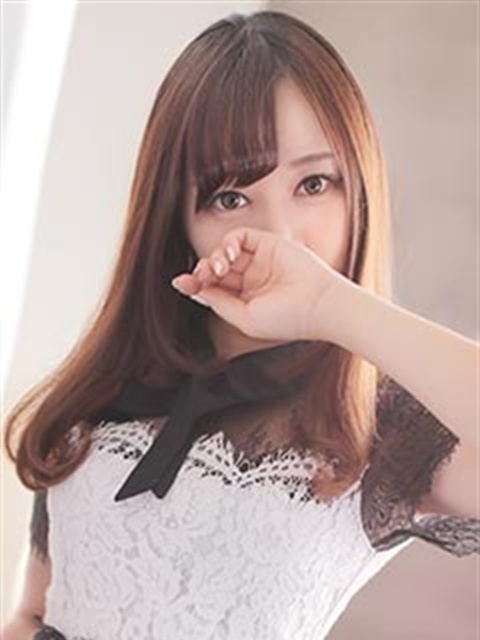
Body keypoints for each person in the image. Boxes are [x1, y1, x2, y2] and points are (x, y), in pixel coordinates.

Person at [2, 10, 479, 640]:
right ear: (178, 217)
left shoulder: (379, 427)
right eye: (230, 196)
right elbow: (34, 614)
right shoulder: (113, 387)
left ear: (360, 192)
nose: (278, 234)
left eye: (314, 183)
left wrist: (332, 304)